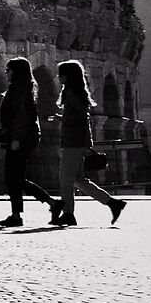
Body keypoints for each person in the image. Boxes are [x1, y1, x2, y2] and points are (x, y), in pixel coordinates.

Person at [53, 59, 125, 226]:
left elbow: (81, 118)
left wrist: (62, 118)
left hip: (73, 142)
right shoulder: (75, 92)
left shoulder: (71, 92)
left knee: (65, 178)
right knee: (79, 179)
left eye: (61, 74)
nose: (59, 76)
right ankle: (113, 203)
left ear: (68, 76)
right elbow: (82, 117)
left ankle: (68, 214)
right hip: (76, 141)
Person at [0, 56, 57, 226]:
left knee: (13, 177)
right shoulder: (20, 88)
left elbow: (22, 118)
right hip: (24, 135)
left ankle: (20, 215)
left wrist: (15, 139)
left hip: (22, 137)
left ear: (17, 72)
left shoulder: (20, 90)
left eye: (9, 70)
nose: (6, 73)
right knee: (15, 178)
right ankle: (46, 206)